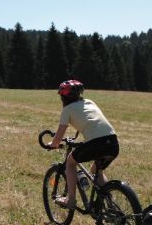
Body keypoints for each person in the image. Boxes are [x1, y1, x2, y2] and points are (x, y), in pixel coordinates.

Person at [48, 80, 119, 208]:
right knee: (97, 171)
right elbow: (90, 119)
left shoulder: (67, 110)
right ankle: (111, 205)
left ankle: (70, 200)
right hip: (113, 141)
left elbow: (58, 138)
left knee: (70, 162)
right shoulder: (89, 102)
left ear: (63, 97)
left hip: (96, 143)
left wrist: (53, 144)